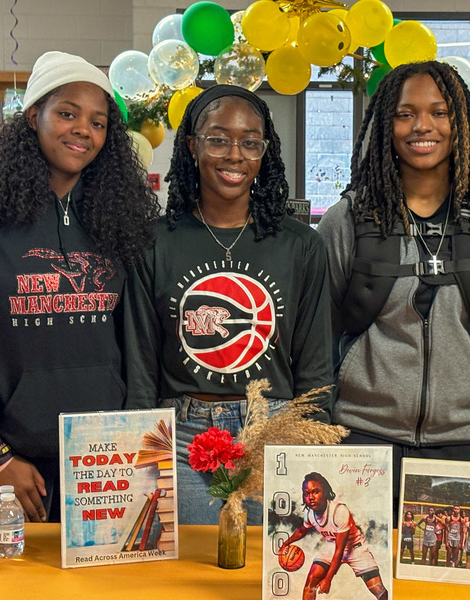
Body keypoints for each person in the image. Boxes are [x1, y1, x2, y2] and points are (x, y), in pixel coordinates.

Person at [0, 51, 161, 522]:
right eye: (67, 114)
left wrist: (137, 437)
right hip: (10, 461)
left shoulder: (124, 217)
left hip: (107, 461)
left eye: (98, 122)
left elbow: (139, 339)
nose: (83, 130)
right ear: (34, 115)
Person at [123, 85, 333, 525]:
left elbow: (315, 364)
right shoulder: (154, 242)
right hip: (181, 434)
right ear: (192, 145)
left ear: (264, 152)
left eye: (250, 142)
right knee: (187, 566)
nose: (235, 155)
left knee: (268, 562)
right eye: (218, 139)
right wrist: (141, 443)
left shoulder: (300, 245)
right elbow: (140, 360)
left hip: (273, 430)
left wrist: (311, 442)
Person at [316, 60, 470, 514]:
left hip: (467, 442)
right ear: (386, 126)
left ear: (460, 123)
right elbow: (323, 330)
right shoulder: (347, 221)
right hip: (363, 439)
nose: (422, 126)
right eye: (405, 114)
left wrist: (462, 376)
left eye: (439, 112)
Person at [279, 472, 388, 599]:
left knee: (378, 590)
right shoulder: (310, 515)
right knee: (311, 582)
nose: (311, 497)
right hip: (332, 545)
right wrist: (286, 543)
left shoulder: (339, 511)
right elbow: (302, 531)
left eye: (315, 492)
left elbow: (339, 550)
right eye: (306, 494)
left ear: (325, 492)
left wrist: (328, 579)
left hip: (355, 547)